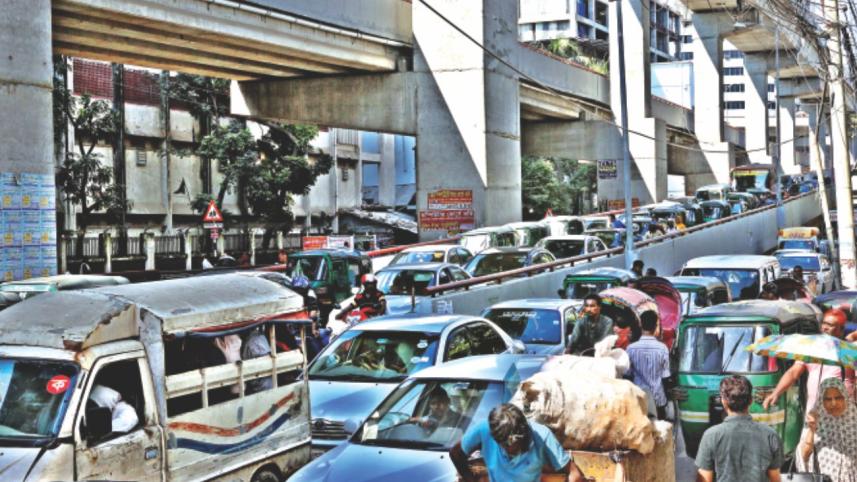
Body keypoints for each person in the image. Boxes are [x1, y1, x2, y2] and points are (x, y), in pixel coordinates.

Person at [449, 403, 586, 482]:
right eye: (513, 448)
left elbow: (573, 472)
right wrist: (471, 480)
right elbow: (456, 454)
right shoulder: (484, 429)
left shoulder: (541, 435)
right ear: (499, 441)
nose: (521, 447)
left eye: (523, 441)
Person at [763, 308, 855, 412]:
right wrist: (776, 393)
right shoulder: (811, 348)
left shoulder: (848, 351)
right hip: (814, 412)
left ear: (841, 329)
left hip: (840, 412)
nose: (825, 328)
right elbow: (793, 372)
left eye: (830, 325)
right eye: (824, 323)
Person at [696, 375, 784, 482]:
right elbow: (775, 478)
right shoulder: (770, 435)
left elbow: (704, 479)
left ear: (723, 402)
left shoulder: (710, 435)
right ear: (751, 401)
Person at [798, 377, 857, 482]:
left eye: (838, 397)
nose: (833, 403)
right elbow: (804, 456)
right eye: (828, 399)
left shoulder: (854, 419)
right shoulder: (815, 420)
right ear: (821, 400)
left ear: (845, 397)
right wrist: (812, 430)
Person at [626, 311, 671, 420]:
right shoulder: (662, 348)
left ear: (640, 324)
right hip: (658, 399)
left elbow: (627, 375)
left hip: (638, 398)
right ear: (656, 326)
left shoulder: (630, 348)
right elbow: (665, 377)